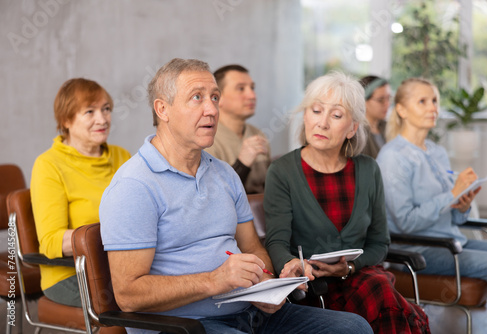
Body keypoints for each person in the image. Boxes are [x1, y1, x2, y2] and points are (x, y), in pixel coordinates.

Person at [99, 58, 373, 334]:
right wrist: (215, 280)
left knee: (354, 328)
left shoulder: (223, 174)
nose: (211, 109)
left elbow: (254, 249)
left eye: (215, 97)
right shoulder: (134, 185)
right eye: (197, 98)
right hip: (185, 325)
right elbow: (128, 295)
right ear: (163, 109)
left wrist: (267, 284)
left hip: (252, 312)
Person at [264, 71, 430, 333]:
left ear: (353, 127)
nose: (322, 123)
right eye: (316, 111)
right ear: (305, 116)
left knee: (377, 286)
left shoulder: (368, 170)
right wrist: (292, 264)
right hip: (314, 290)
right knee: (383, 294)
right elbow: (276, 242)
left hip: (361, 279)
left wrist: (349, 267)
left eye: (336, 115)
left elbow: (379, 244)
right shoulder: (282, 171)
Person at [376, 77, 487, 283]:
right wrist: (451, 194)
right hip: (419, 251)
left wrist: (462, 206)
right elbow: (406, 223)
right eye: (422, 101)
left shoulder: (437, 152)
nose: (433, 107)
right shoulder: (392, 157)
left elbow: (453, 219)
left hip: (451, 241)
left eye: (434, 100)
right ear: (401, 110)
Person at [31, 78, 131, 307]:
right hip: (71, 274)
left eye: (106, 109)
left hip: (123, 266)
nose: (102, 119)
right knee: (145, 298)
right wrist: (112, 234)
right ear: (66, 120)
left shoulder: (121, 156)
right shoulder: (49, 164)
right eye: (89, 111)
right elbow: (50, 241)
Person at [205, 64, 270, 194]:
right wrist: (242, 165)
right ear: (217, 98)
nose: (252, 95)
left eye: (252, 88)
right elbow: (212, 196)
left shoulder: (258, 134)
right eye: (241, 88)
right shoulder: (206, 139)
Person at [359, 75, 391, 158]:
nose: (387, 104)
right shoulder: (357, 135)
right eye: (381, 100)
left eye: (388, 98)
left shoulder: (389, 127)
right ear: (363, 101)